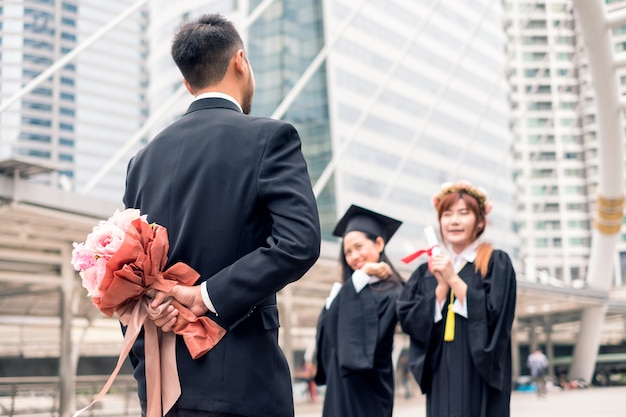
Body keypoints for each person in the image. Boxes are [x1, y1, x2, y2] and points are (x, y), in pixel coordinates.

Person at [122, 13, 321, 417]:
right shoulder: (270, 138)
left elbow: (124, 276)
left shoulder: (141, 161)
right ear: (240, 61)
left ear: (185, 82)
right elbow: (299, 243)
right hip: (245, 385)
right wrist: (205, 296)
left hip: (164, 394)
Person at [396, 180, 517, 417]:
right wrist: (441, 287)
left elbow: (497, 315)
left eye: (464, 213)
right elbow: (410, 321)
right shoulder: (426, 271)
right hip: (441, 372)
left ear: (480, 221)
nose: (454, 221)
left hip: (478, 373)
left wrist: (453, 279)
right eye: (447, 214)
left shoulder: (495, 263)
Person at [314, 205, 404, 417]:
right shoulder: (350, 287)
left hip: (369, 389)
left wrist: (358, 279)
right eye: (348, 252)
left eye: (358, 246)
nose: (354, 256)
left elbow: (370, 342)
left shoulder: (394, 292)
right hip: (339, 388)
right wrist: (358, 277)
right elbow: (329, 333)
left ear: (379, 243)